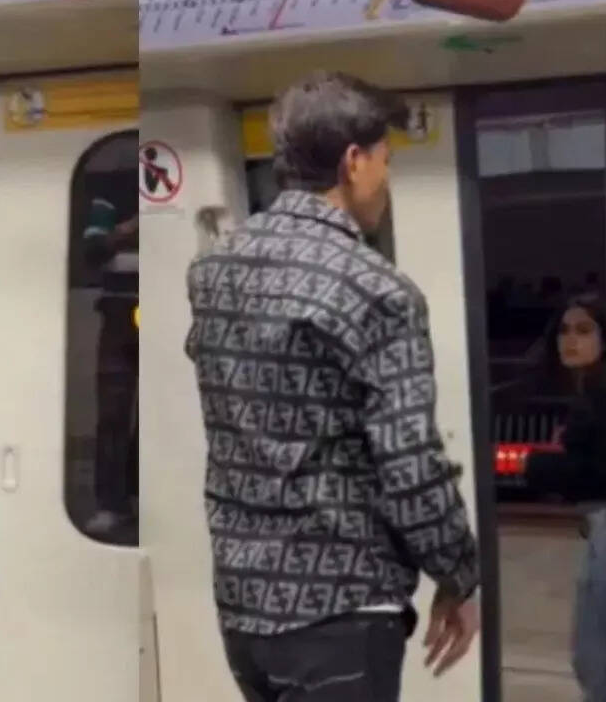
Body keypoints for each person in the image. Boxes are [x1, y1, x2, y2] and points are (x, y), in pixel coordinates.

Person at [185, 71, 481, 702]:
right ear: (353, 162)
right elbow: (409, 464)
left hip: (242, 609)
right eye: (385, 161)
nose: (386, 181)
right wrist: (458, 573)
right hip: (341, 608)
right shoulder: (377, 290)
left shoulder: (213, 271)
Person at [522, 294, 606, 702]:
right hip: (601, 525)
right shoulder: (594, 392)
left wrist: (535, 465)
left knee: (597, 656)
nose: (570, 340)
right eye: (563, 331)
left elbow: (602, 473)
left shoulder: (604, 396)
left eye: (583, 330)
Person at [80, 198, 140, 537]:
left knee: (160, 417)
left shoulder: (183, 183)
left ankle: (144, 496)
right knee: (112, 416)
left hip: (167, 309)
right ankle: (111, 505)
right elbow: (92, 253)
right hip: (118, 319)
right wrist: (132, 228)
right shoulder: (108, 196)